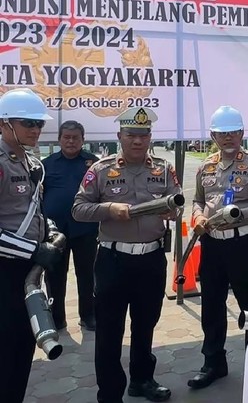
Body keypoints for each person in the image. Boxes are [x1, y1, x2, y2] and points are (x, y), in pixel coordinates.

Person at [72, 107, 181, 403]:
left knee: (146, 324)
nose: (138, 140)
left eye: (143, 134)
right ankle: (109, 393)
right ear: (120, 136)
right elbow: (79, 209)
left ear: (150, 137)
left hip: (151, 259)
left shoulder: (163, 168)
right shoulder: (101, 169)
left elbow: (177, 201)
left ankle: (143, 379)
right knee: (109, 331)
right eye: (132, 134)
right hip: (113, 261)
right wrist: (108, 209)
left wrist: (173, 210)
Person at [188, 106, 248, 390]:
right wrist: (198, 216)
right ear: (213, 135)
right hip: (212, 246)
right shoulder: (206, 166)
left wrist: (237, 216)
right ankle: (213, 362)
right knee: (211, 305)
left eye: (233, 132)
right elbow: (197, 200)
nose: (228, 138)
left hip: (243, 244)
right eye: (222, 133)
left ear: (242, 134)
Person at [0, 89, 63, 403]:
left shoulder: (33, 163)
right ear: (4, 123)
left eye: (39, 123)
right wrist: (33, 251)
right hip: (5, 271)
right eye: (27, 123)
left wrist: (49, 233)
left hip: (28, 271)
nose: (36, 129)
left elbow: (34, 211)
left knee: (23, 347)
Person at [43, 120, 99, 331]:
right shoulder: (46, 164)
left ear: (83, 140)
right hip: (55, 232)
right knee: (55, 277)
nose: (71, 141)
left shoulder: (93, 163)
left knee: (87, 275)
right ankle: (57, 319)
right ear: (59, 139)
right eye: (66, 137)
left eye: (75, 137)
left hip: (86, 229)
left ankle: (88, 316)